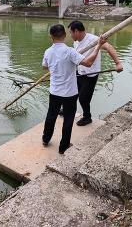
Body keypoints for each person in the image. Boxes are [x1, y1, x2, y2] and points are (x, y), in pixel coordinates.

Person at [42, 24, 106, 154]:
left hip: (54, 91)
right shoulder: (70, 51)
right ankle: (63, 147)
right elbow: (88, 63)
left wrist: (56, 68)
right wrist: (98, 46)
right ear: (65, 35)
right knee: (68, 119)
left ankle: (45, 139)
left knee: (51, 115)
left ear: (51, 37)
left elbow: (45, 67)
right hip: (69, 94)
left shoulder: (48, 52)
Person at [68, 20, 123, 126]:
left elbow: (109, 47)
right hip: (79, 71)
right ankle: (69, 110)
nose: (70, 35)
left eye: (71, 32)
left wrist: (118, 63)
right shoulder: (76, 41)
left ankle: (87, 117)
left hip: (90, 74)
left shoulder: (94, 40)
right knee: (72, 92)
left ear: (76, 31)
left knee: (84, 98)